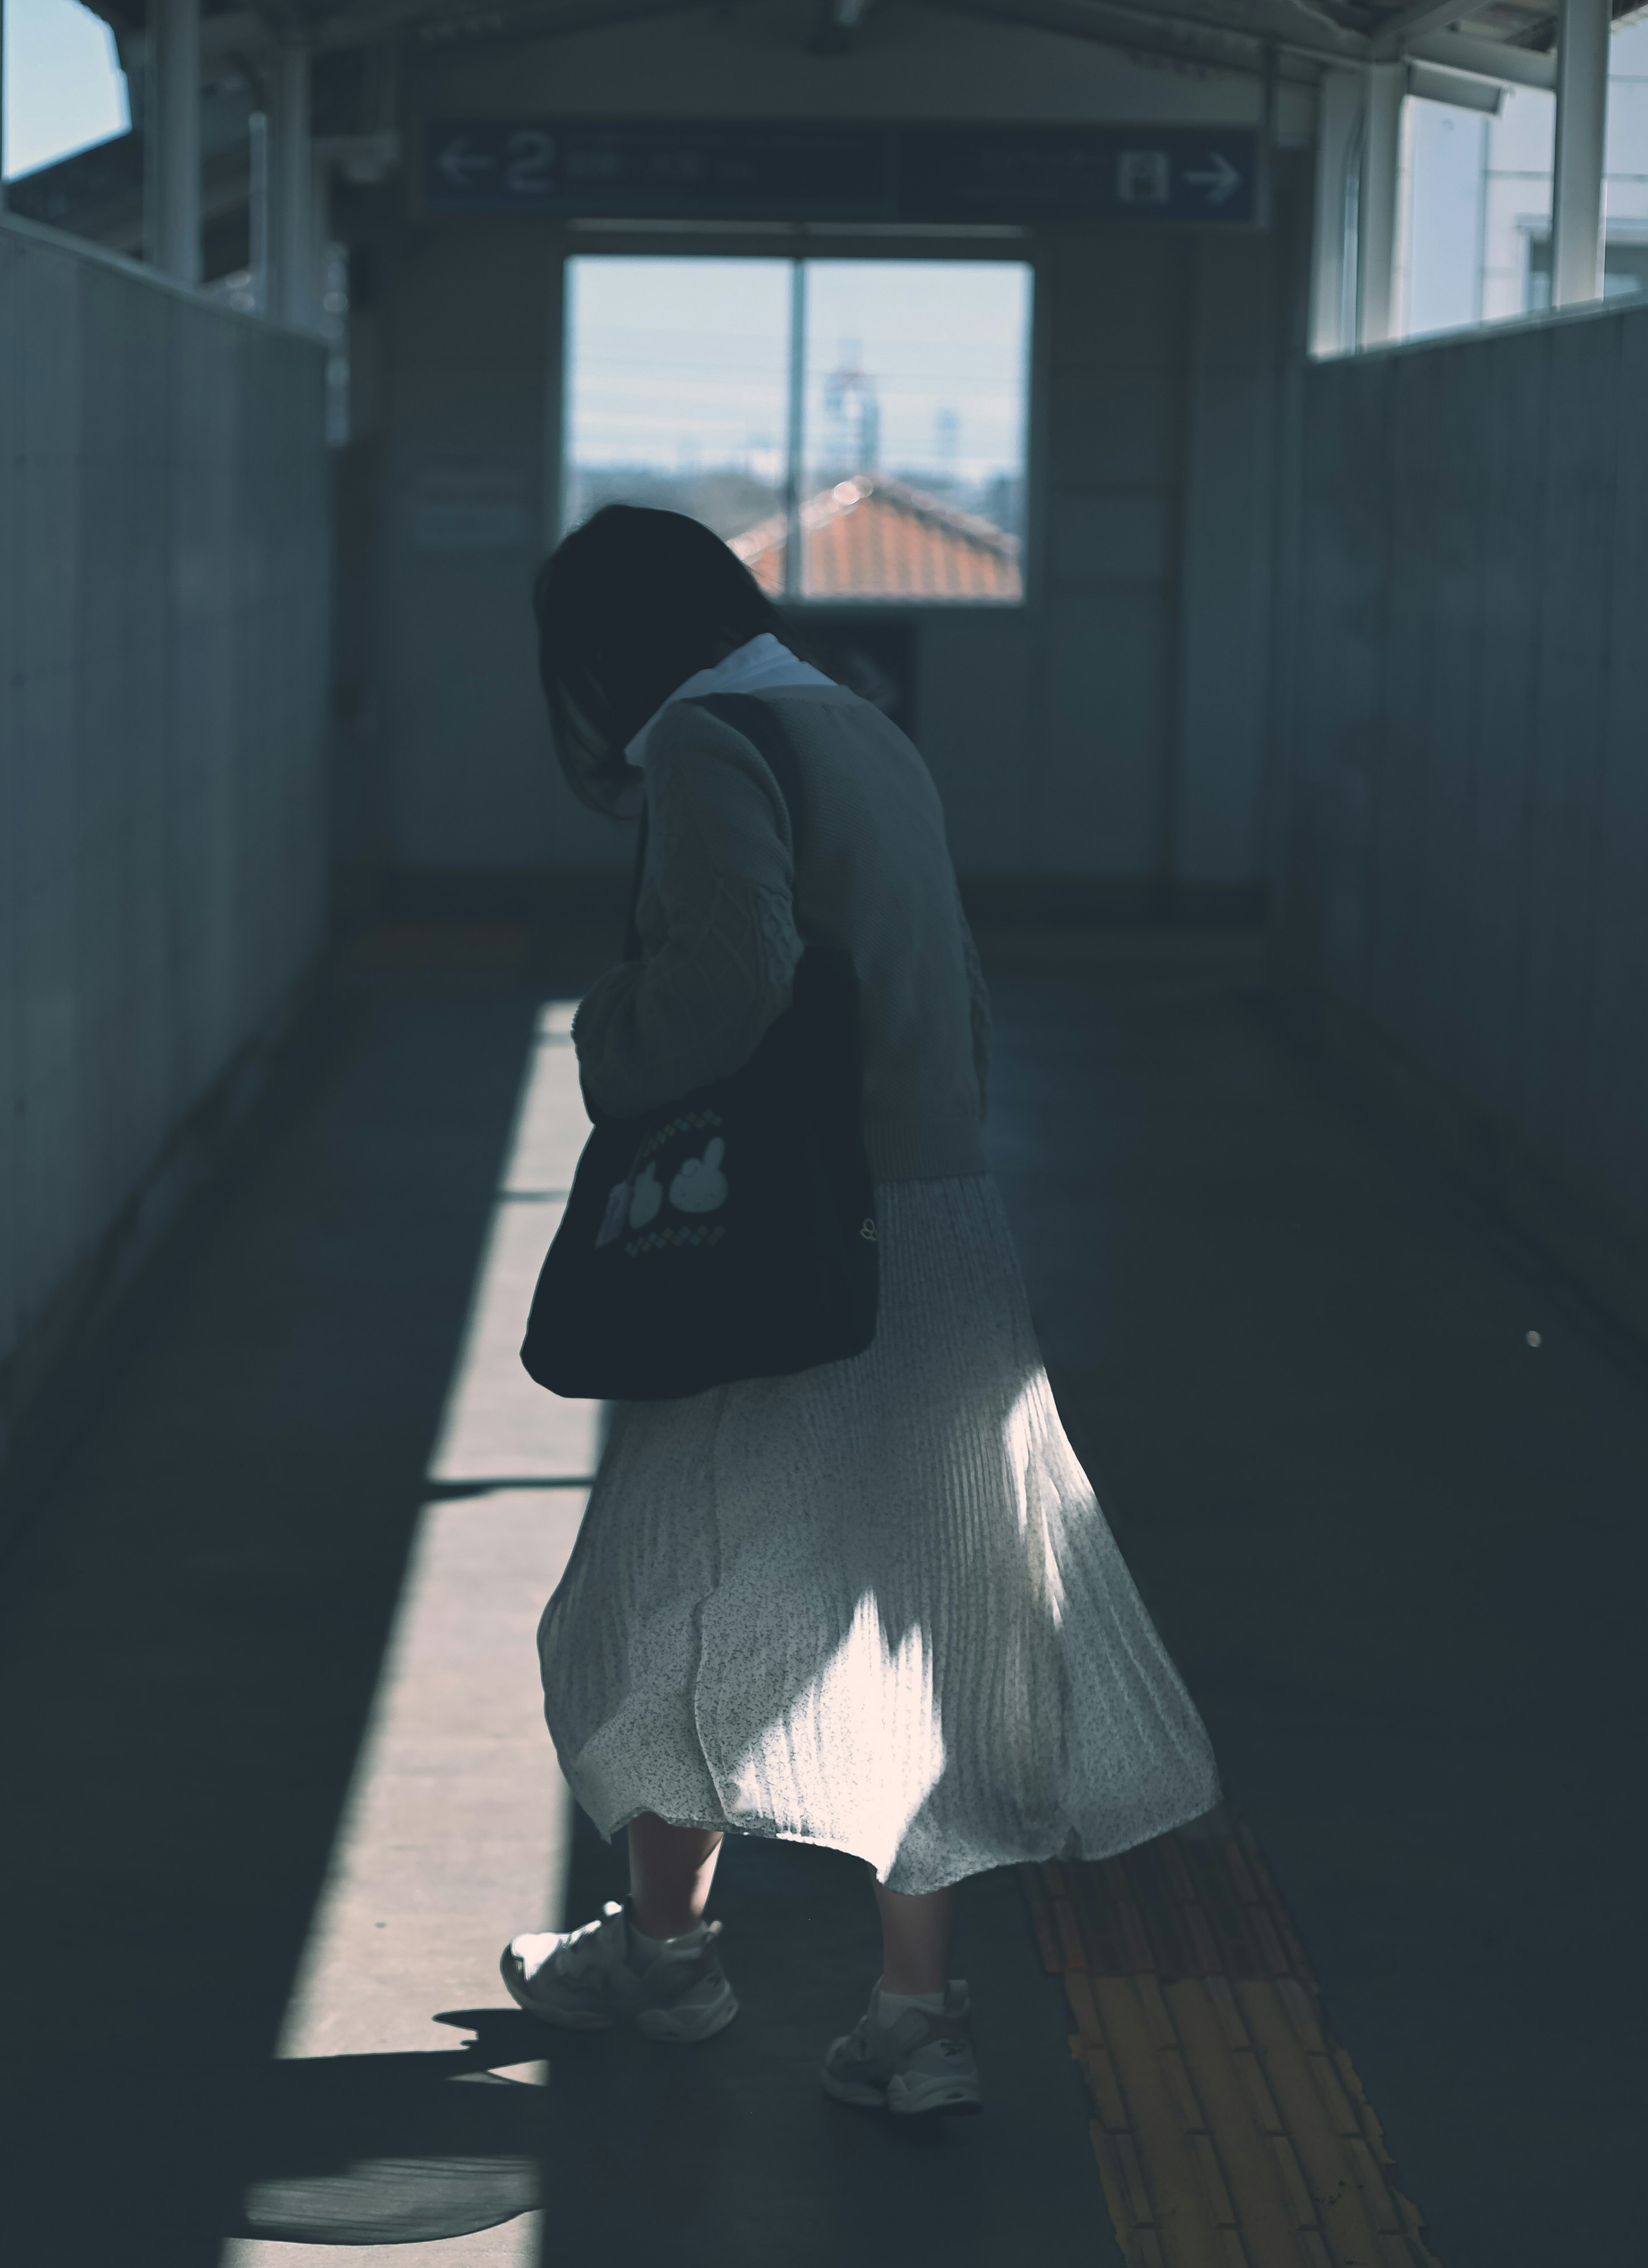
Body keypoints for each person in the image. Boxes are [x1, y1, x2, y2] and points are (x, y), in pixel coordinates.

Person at [500, 503, 1219, 2118]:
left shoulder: (704, 740)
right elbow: (950, 993)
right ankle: (917, 2020)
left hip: (790, 1232)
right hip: (939, 1226)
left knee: (672, 1582)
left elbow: (731, 976)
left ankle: (667, 1962)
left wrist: (606, 1039)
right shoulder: (857, 731)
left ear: (611, 651)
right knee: (926, 1615)